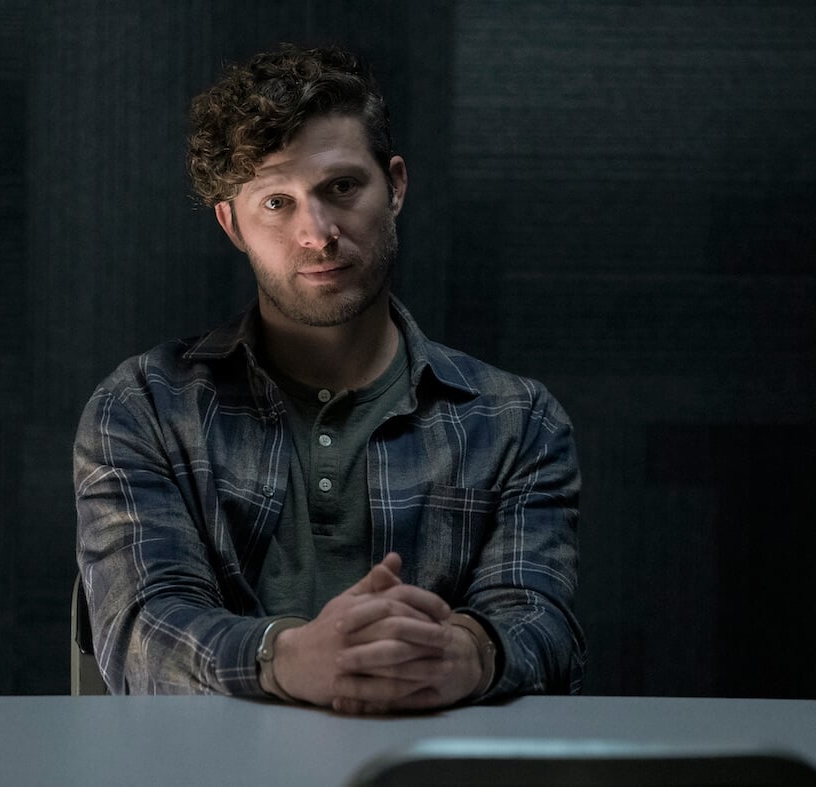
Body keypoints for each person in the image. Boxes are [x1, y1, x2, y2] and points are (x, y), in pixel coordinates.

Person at [74, 44, 584, 713]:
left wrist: (465, 652)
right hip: (208, 764)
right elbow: (142, 631)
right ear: (232, 223)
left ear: (394, 186)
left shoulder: (518, 420)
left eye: (341, 188)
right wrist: (291, 659)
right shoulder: (144, 407)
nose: (316, 233)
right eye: (276, 202)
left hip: (431, 761)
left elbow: (540, 622)